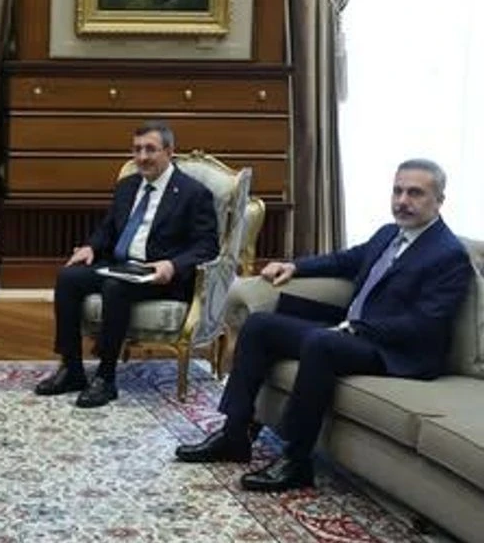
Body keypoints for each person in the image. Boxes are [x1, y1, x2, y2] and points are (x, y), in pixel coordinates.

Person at [175, 159, 472, 492]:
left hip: (396, 351)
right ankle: (234, 435)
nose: (402, 201)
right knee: (260, 326)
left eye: (415, 193)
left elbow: (424, 324)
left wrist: (355, 329)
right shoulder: (390, 233)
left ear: (439, 200)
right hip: (354, 332)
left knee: (321, 343)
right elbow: (346, 260)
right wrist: (295, 267)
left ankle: (296, 460)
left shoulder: (448, 255)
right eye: (397, 191)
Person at [34, 120, 219, 407]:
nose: (142, 157)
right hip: (120, 265)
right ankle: (72, 369)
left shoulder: (193, 193)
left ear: (169, 152)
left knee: (115, 287)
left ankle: (105, 378)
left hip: (159, 274)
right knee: (69, 277)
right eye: (137, 149)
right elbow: (108, 228)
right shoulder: (127, 186)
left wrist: (173, 265)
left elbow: (207, 246)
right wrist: (91, 246)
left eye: (150, 149)